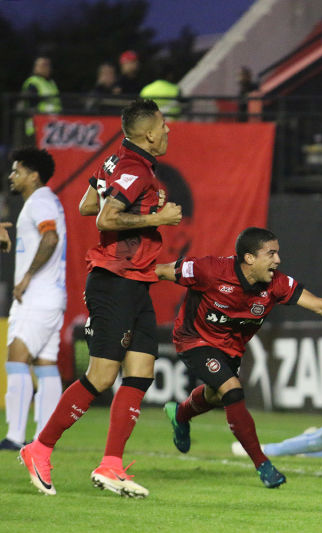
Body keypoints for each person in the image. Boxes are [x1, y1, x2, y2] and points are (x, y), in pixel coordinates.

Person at [19, 99, 183, 498]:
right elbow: (104, 217)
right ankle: (39, 448)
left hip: (137, 280)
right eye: (163, 125)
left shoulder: (117, 161)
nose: (167, 131)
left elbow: (87, 203)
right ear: (147, 132)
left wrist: (140, 212)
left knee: (142, 370)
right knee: (102, 376)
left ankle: (110, 464)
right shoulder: (132, 168)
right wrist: (156, 219)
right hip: (114, 281)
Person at [156, 227, 322, 489]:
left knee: (215, 395)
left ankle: (181, 414)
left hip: (231, 349)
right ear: (249, 258)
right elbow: (159, 271)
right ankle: (262, 464)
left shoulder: (277, 284)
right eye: (271, 254)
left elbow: (321, 305)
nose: (278, 260)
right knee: (232, 390)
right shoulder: (208, 270)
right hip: (194, 339)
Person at [1, 148, 66, 452]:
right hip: (53, 296)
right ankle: (42, 439)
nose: (11, 176)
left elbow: (50, 238)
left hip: (36, 297)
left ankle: (14, 437)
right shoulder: (48, 200)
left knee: (16, 360)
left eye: (17, 170)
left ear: (33, 174)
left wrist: (26, 277)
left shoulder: (38, 201)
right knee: (45, 365)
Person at [20, 56, 62, 138]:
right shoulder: (33, 82)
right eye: (43, 65)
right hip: (37, 127)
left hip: (52, 127)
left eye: (48, 65)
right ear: (36, 67)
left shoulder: (51, 83)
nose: (46, 68)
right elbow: (30, 105)